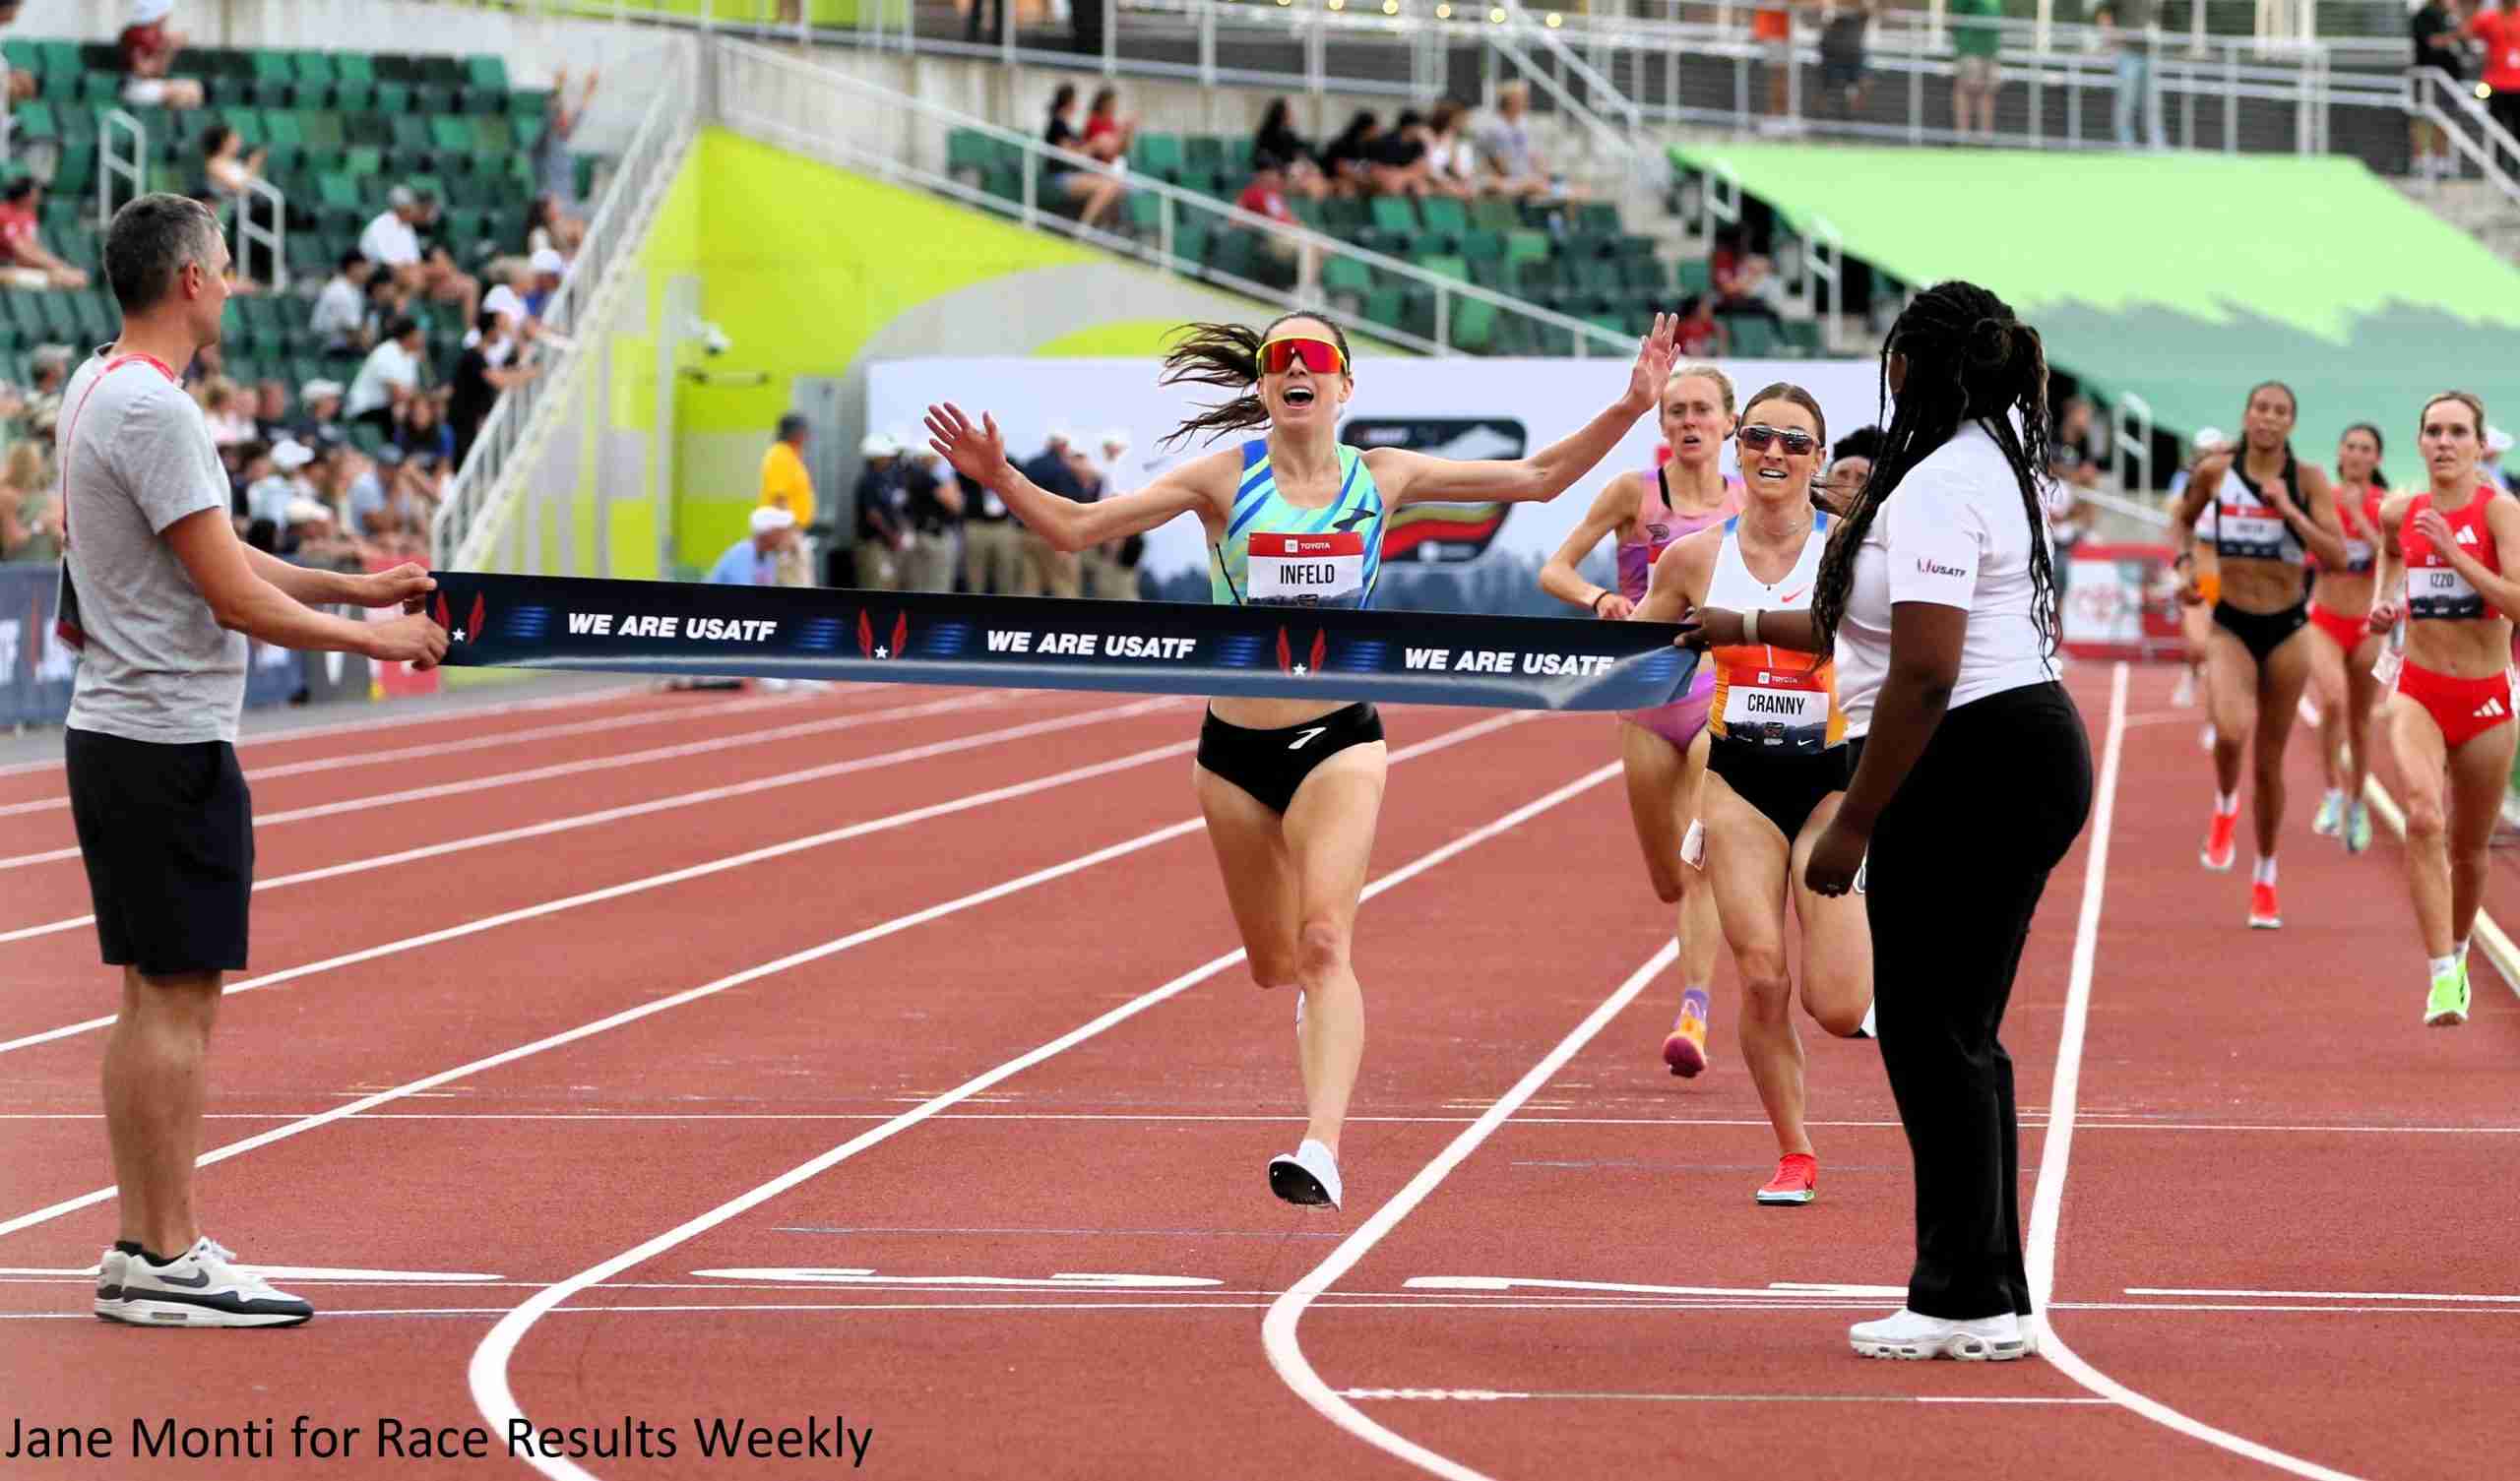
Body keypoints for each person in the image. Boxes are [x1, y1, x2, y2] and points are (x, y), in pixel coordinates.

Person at [925, 310, 1677, 1208]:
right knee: (1274, 960)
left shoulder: (1384, 476)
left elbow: (1541, 477)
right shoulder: (1223, 478)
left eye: (1313, 357)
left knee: (1327, 941)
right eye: (1278, 358)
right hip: (1232, 752)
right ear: (1262, 387)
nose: (1294, 368)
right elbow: (1078, 530)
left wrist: (1632, 405)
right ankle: (1310, 999)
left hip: (1339, 740)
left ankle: (1321, 1145)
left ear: (1343, 387)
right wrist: (1000, 475)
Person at [63, 194, 447, 1327]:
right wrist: (378, 638)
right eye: (225, 268)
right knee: (178, 1001)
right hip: (167, 735)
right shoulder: (158, 411)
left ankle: (146, 1244)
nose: (233, 286)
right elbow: (229, 592)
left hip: (123, 730)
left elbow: (215, 549)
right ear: (186, 279)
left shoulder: (99, 384)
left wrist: (353, 582)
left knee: (151, 998)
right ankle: (168, 1254)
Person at [1691, 279, 2089, 1361]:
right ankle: (1984, 1289)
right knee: (1959, 1030)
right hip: (2002, 750)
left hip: (1971, 757)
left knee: (1927, 1028)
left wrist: (1852, 824)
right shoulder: (1977, 460)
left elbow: (1921, 671)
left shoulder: (1936, 481)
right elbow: (1862, 629)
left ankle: (1956, 1292)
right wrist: (1735, 621)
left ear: (1911, 367)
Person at [1628, 384, 1874, 1206]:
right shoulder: (1695, 557)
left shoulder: (1849, 550)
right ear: (1738, 446)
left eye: (1794, 443)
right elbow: (1642, 645)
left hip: (1828, 783)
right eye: (1761, 437)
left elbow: (1847, 633)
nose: (1774, 453)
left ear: (1816, 457)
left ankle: (1875, 965)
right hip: (1736, 778)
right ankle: (1794, 1151)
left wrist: (1743, 629)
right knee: (1763, 976)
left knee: (1838, 1005)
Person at [1537, 364, 1743, 1078]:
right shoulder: (1634, 494)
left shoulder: (1750, 501)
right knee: (1666, 875)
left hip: (1719, 691)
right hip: (1646, 703)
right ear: (1663, 426)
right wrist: (1600, 598)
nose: (1689, 422)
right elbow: (1554, 568)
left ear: (1728, 424)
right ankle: (1695, 967)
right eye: (1677, 411)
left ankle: (1695, 1010)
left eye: (1702, 411)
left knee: (1700, 863)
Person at [2367, 391, 2518, 1027]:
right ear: (2421, 441)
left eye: (2459, 431)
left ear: (2480, 443)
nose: (2445, 442)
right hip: (2418, 690)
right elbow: (2388, 543)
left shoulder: (2502, 513)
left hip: (2486, 698)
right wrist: (2386, 601)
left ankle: (2458, 953)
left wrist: (2456, 554)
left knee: (2470, 847)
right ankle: (2440, 978)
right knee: (2424, 816)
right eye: (2434, 431)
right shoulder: (2404, 510)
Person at [2172, 383, 2347, 928]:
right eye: (2261, 408)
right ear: (2247, 415)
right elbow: (2182, 518)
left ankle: (2265, 878)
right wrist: (2184, 568)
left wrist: (2290, 510)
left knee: (2270, 764)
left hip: (2289, 627)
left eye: (2280, 412)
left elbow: (2336, 555)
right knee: (2229, 730)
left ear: (2291, 423)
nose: (2269, 418)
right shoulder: (2216, 473)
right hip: (2232, 623)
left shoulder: (2309, 478)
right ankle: (2226, 807)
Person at [2304, 423, 2389, 855]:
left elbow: (2394, 556)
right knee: (2333, 701)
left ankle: (2356, 804)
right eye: (2351, 446)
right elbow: (2314, 554)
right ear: (2340, 453)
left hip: (2367, 626)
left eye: (2366, 449)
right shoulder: (2323, 501)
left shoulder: (2386, 506)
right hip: (2325, 620)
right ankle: (2332, 791)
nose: (2357, 454)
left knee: (2359, 720)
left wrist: (2359, 517)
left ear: (2377, 459)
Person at [759, 412, 815, 587]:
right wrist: (788, 535)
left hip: (792, 531)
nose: (807, 436)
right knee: (795, 586)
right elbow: (779, 498)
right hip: (785, 533)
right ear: (795, 433)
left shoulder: (791, 456)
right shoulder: (779, 456)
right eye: (804, 431)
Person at [709, 504, 795, 586]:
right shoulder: (741, 555)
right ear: (767, 534)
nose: (784, 536)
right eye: (780, 532)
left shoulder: (769, 557)